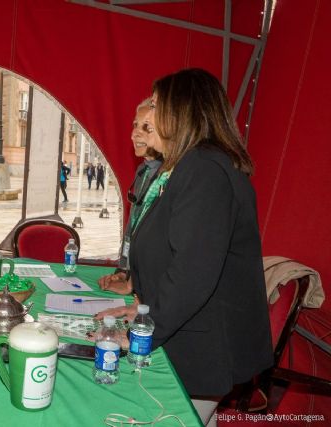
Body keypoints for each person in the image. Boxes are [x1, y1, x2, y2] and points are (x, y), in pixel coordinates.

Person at [96, 69, 273, 426]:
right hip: (192, 337)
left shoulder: (204, 169)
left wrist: (144, 332)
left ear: (183, 111)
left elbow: (192, 272)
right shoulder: (189, 167)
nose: (148, 111)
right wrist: (146, 312)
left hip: (203, 350)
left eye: (157, 104)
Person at [98, 100, 162, 294]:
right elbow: (134, 228)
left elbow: (158, 244)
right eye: (135, 125)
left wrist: (135, 285)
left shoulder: (170, 177)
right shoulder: (143, 170)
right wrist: (124, 271)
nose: (135, 133)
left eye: (147, 127)